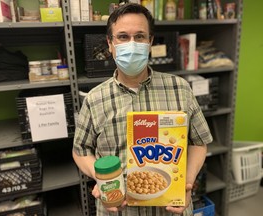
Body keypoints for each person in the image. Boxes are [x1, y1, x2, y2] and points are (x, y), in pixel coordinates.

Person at [72, 3, 213, 216]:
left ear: (150, 42)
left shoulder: (180, 89)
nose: (132, 44)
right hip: (118, 209)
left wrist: (187, 182)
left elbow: (199, 142)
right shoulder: (94, 99)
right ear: (110, 44)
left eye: (139, 36)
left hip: (171, 208)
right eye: (122, 37)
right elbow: (80, 151)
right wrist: (102, 179)